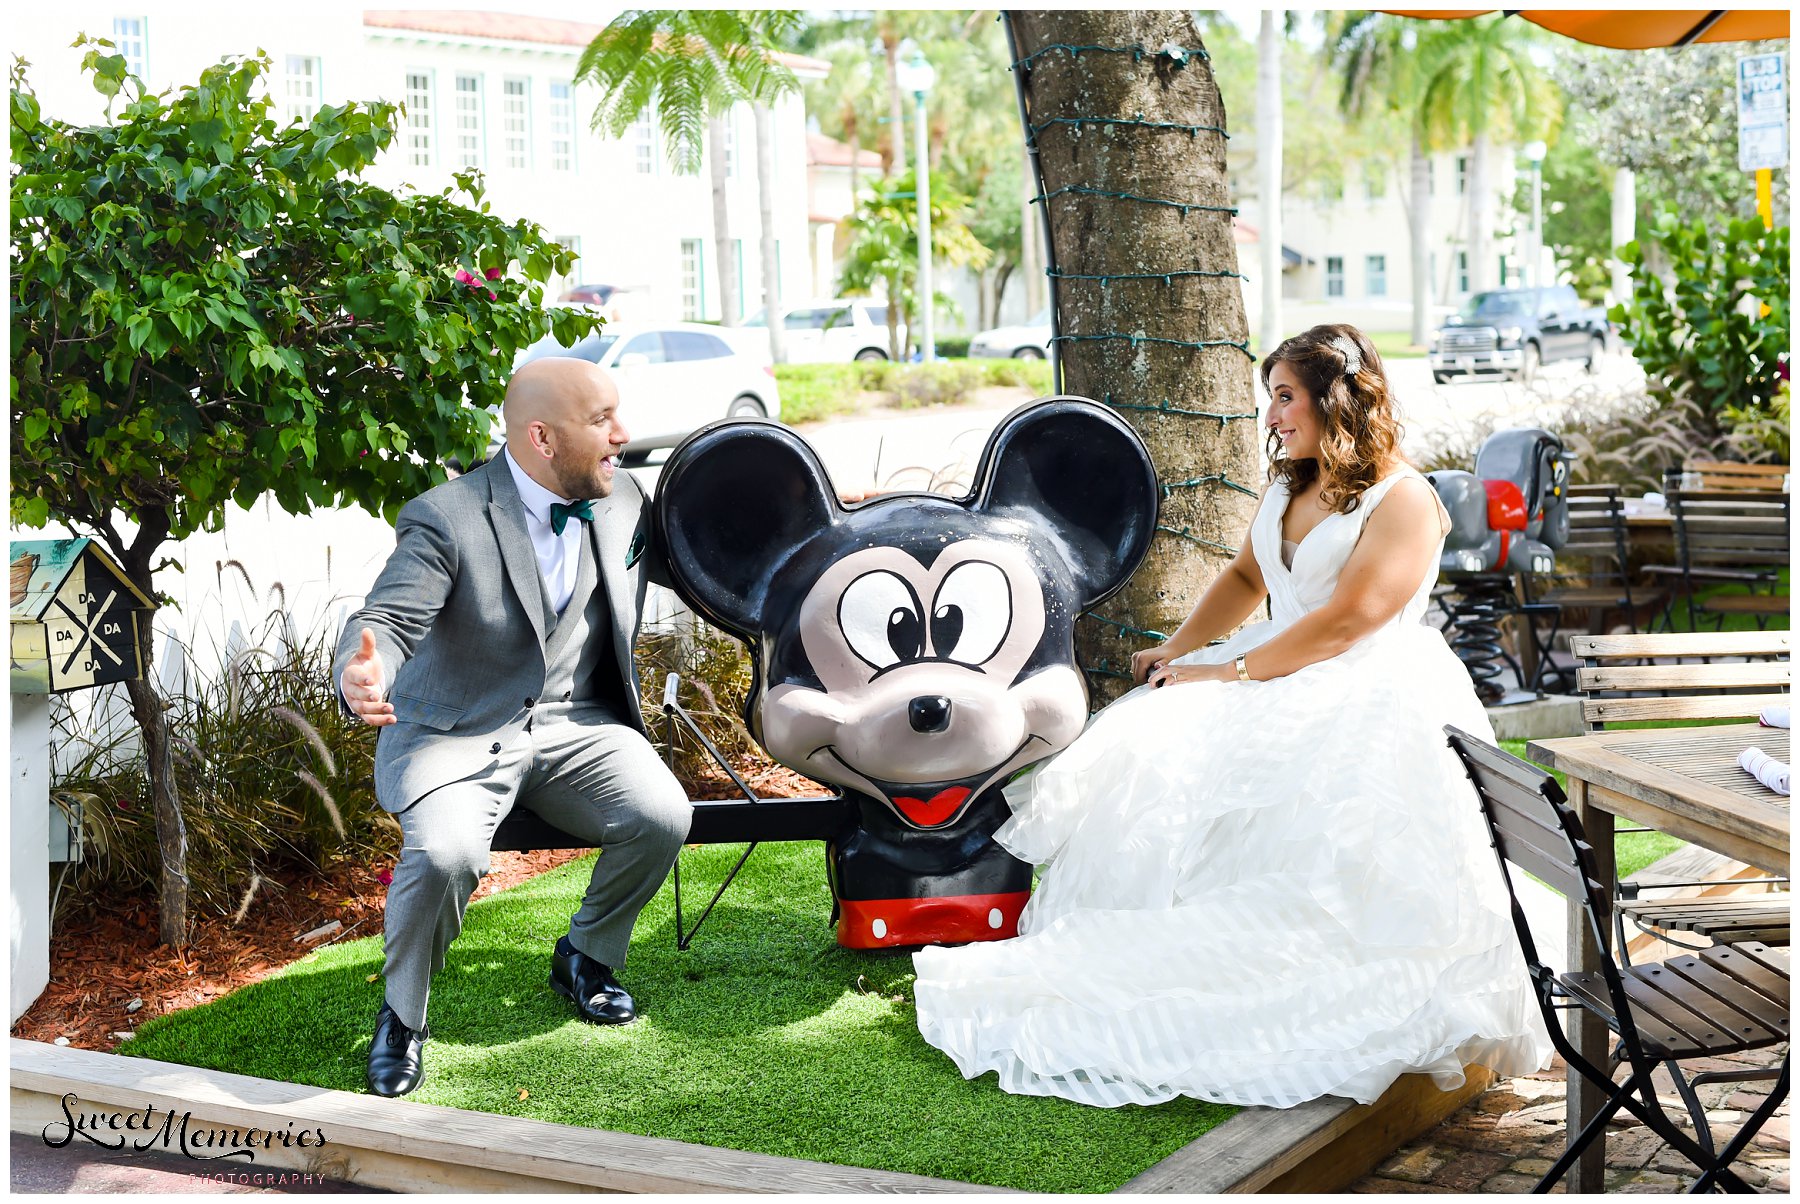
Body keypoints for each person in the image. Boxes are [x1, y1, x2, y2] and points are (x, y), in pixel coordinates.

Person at [910, 324, 1553, 1109]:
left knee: (1336, 850)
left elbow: (1349, 622)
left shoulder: (1405, 498)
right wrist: (1177, 648)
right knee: (1154, 738)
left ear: (1335, 398)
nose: (1274, 415)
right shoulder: (1289, 485)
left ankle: (1316, 972)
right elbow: (1248, 576)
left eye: (1285, 397)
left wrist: (1226, 671)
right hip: (1277, 664)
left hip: (1369, 688)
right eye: (1270, 399)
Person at [334, 358, 691, 1098]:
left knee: (663, 814)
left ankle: (586, 955)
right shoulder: (448, 516)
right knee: (445, 856)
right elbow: (386, 620)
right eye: (601, 421)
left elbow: (705, 545)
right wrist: (362, 669)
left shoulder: (622, 499)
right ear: (541, 436)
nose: (622, 435)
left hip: (574, 726)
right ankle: (403, 1018)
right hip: (455, 734)